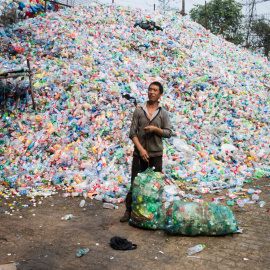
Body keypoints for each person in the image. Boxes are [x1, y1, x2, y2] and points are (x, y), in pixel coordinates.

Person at [120, 81, 172, 222]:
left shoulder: (163, 113)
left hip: (156, 154)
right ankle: (129, 211)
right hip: (139, 154)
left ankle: (153, 214)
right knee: (135, 183)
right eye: (150, 89)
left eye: (155, 90)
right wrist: (141, 149)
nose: (152, 92)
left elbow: (168, 132)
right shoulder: (139, 111)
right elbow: (132, 133)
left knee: (154, 186)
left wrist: (156, 130)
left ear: (160, 94)